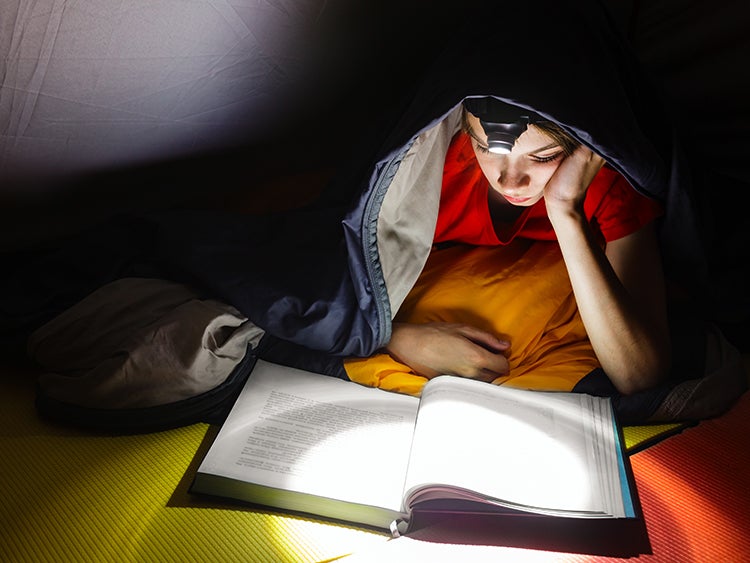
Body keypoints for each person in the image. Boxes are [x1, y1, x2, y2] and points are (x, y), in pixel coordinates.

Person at [346, 98, 671, 396]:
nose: (510, 182)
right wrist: (397, 338)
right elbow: (321, 297)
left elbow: (639, 376)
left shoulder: (608, 185)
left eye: (544, 156)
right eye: (487, 149)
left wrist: (564, 209)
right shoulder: (434, 170)